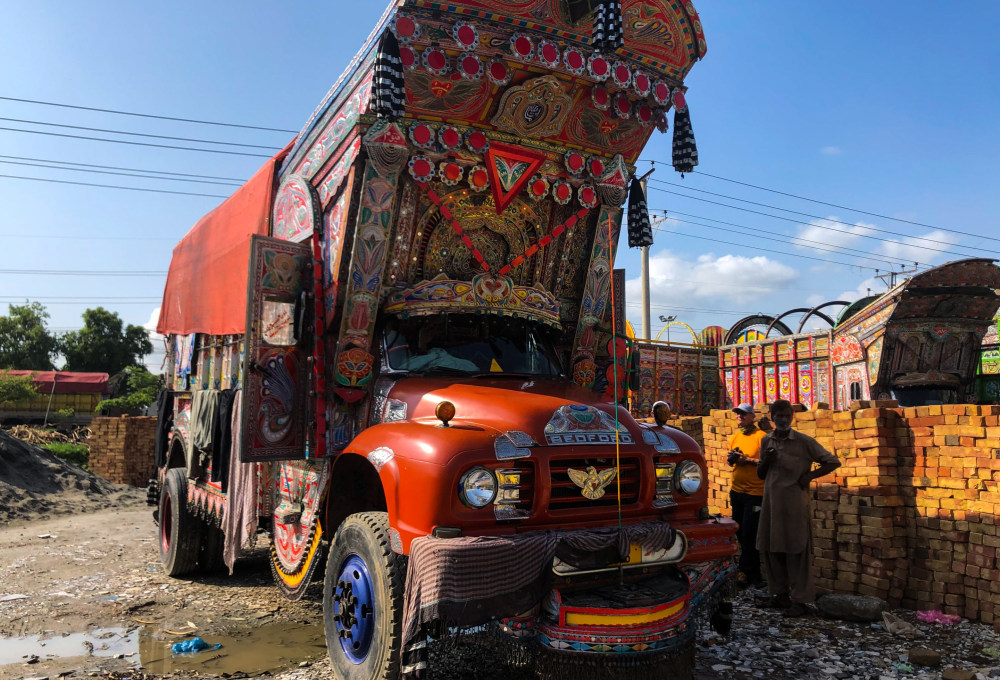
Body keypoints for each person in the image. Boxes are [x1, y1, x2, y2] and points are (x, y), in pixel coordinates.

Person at [756, 399, 841, 617]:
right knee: (772, 549)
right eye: (779, 416)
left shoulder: (803, 441)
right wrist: (767, 460)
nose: (783, 420)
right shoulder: (766, 441)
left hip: (794, 504)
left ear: (792, 418)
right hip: (772, 504)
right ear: (773, 418)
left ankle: (800, 600)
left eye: (787, 416)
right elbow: (760, 474)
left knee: (796, 550)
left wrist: (809, 476)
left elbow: (832, 461)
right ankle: (780, 595)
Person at [727, 403, 766, 588]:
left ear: (752, 416)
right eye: (737, 414)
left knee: (750, 532)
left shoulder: (761, 437)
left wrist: (748, 460)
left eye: (743, 414)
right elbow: (731, 462)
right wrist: (733, 459)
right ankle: (753, 573)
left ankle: (745, 571)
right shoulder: (736, 436)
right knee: (740, 531)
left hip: (755, 493)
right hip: (737, 492)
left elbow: (767, 462)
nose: (739, 416)